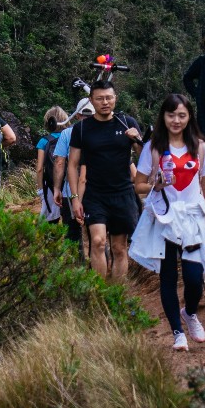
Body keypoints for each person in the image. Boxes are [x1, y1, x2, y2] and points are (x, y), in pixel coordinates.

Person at [129, 93, 205, 350]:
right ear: (163, 117)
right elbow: (139, 186)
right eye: (171, 115)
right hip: (164, 217)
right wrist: (156, 184)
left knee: (194, 276)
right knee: (167, 276)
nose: (176, 120)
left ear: (189, 117)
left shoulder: (199, 147)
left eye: (181, 115)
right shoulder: (153, 148)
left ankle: (189, 311)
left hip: (192, 217)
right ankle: (177, 332)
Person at [68, 80, 144, 281]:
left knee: (119, 248)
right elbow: (72, 165)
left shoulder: (127, 123)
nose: (105, 102)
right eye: (100, 98)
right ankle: (99, 295)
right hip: (95, 194)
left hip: (123, 193)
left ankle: (115, 297)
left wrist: (136, 139)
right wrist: (75, 198)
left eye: (109, 97)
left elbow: (145, 159)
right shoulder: (82, 129)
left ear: (115, 99)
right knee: (99, 241)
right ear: (92, 100)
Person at [51, 98, 92, 249]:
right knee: (97, 236)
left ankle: (75, 270)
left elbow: (60, 162)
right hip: (98, 190)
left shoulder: (67, 133)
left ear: (76, 115)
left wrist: (57, 188)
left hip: (71, 191)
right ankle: (102, 270)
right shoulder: (103, 131)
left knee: (73, 235)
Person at [34, 107, 71, 223]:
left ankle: (51, 240)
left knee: (50, 220)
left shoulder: (44, 141)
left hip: (49, 184)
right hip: (68, 183)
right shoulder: (69, 137)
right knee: (69, 218)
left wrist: (40, 190)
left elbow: (40, 168)